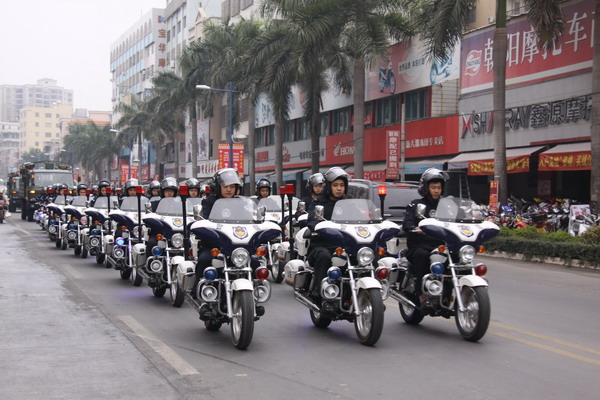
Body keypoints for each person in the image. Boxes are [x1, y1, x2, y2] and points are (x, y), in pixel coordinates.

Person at [193, 168, 243, 298]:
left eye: (232, 186)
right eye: (225, 186)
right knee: (204, 260)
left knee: (254, 261)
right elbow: (203, 219)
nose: (229, 189)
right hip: (213, 245)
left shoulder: (241, 203)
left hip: (236, 245)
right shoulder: (209, 202)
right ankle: (197, 290)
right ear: (217, 187)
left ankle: (255, 291)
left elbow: (249, 219)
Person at [402, 167, 449, 306]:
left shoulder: (447, 206)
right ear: (426, 188)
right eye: (433, 187)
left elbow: (456, 220)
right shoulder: (416, 204)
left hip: (439, 246)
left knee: (456, 258)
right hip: (420, 244)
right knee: (422, 256)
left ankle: (449, 292)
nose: (436, 190)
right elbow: (407, 222)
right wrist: (414, 227)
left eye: (439, 187)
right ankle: (420, 293)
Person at [306, 166, 350, 303]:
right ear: (329, 186)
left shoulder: (349, 203)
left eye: (342, 185)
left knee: (364, 256)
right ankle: (319, 292)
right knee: (324, 256)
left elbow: (362, 219)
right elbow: (312, 221)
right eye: (335, 185)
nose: (339, 188)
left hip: (344, 245)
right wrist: (318, 224)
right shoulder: (319, 203)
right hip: (322, 245)